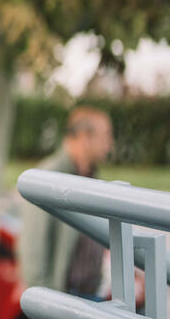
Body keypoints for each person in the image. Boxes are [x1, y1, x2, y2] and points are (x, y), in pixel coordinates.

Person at [18, 107, 114, 298]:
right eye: (106, 136)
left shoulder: (91, 176)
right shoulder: (47, 178)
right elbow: (33, 252)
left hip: (91, 295)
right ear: (85, 137)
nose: (110, 144)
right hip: (64, 298)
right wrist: (48, 303)